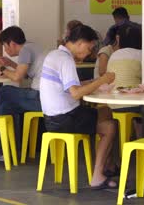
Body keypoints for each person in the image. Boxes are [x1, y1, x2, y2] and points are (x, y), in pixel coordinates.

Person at [40, 25, 117, 189]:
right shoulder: (65, 60)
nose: (89, 53)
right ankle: (97, 175)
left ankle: (108, 165)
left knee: (105, 111)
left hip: (52, 118)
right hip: (66, 117)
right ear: (81, 43)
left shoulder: (55, 55)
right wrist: (102, 80)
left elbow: (70, 86)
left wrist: (91, 83)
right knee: (110, 126)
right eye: (89, 48)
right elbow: (75, 94)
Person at [0, 26, 45, 161]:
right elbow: (26, 74)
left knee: (5, 91)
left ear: (12, 43)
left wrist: (2, 68)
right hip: (44, 97)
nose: (5, 50)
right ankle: (3, 151)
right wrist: (10, 63)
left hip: (40, 97)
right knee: (6, 107)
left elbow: (17, 78)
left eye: (5, 46)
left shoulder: (25, 50)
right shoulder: (32, 47)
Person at [107, 24, 143, 137]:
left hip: (113, 103)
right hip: (134, 104)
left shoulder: (113, 55)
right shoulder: (141, 55)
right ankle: (140, 139)